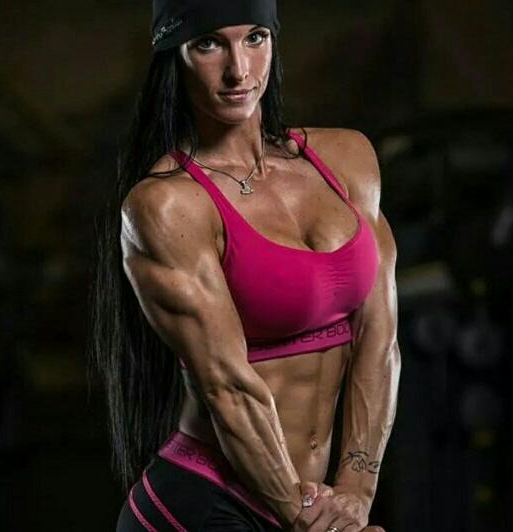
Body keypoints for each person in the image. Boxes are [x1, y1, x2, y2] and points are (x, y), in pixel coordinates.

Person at [89, 1, 400, 530]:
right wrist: (306, 521)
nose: (239, 69)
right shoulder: (167, 205)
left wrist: (356, 490)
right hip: (205, 501)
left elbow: (380, 337)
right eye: (209, 44)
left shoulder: (347, 160)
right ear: (175, 55)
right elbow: (228, 387)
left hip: (314, 506)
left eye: (255, 37)